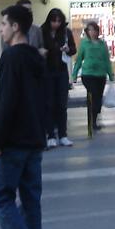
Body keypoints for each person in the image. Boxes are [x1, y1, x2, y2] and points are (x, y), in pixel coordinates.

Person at [0, 4, 48, 229]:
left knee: (3, 198)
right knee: (31, 200)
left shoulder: (11, 58)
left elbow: (5, 101)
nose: (0, 29)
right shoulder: (36, 58)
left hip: (12, 141)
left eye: (3, 23)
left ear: (16, 27)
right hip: (34, 139)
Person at [71, 21, 114, 134]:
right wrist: (74, 74)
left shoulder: (102, 44)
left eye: (94, 30)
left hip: (100, 75)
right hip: (88, 75)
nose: (93, 32)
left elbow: (106, 60)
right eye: (90, 30)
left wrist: (111, 74)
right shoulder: (84, 43)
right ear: (87, 32)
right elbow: (79, 59)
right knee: (92, 96)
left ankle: (94, 119)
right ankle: (91, 122)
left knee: (98, 98)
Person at [42, 8, 76, 147]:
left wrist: (68, 49)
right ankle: (50, 135)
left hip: (61, 71)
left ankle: (63, 134)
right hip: (47, 71)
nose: (56, 24)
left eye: (58, 21)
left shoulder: (66, 32)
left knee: (62, 104)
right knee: (48, 104)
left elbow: (73, 49)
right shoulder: (42, 31)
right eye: (53, 21)